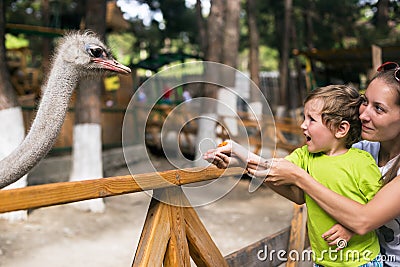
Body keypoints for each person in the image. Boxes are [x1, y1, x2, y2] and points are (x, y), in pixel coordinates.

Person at [203, 84, 384, 266]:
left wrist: (351, 227)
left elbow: (377, 211)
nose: (303, 125)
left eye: (312, 120)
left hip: (363, 261)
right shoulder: (305, 155)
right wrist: (238, 155)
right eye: (304, 118)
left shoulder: (362, 162)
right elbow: (270, 167)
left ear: (340, 129)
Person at [250, 62, 400, 266]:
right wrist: (247, 164)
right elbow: (304, 196)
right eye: (365, 101)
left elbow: (364, 219)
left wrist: (299, 176)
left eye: (379, 109)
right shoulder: (363, 150)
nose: (363, 115)